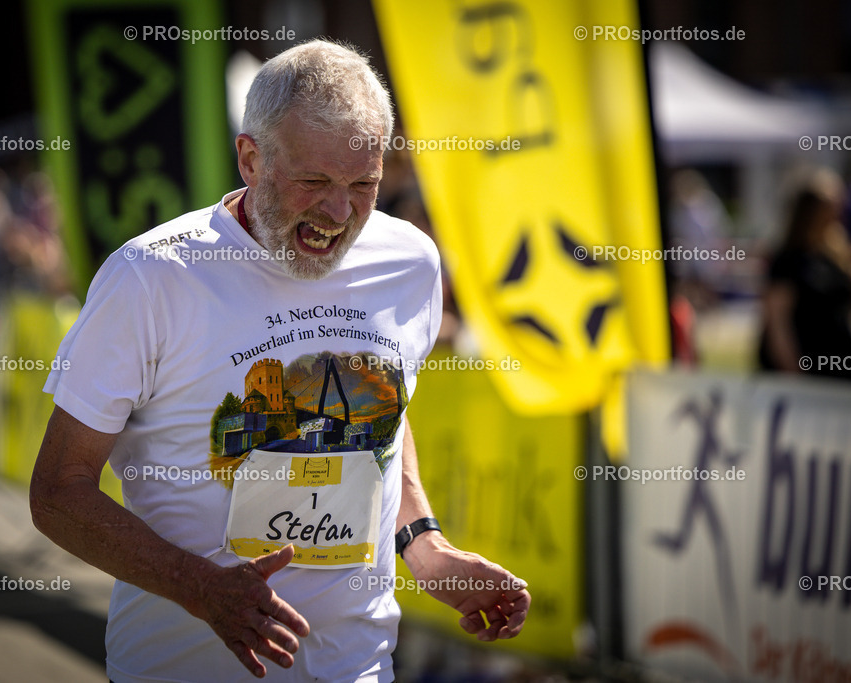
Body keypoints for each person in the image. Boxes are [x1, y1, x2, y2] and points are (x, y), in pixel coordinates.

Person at [30, 39, 529, 683]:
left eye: (364, 185)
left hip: (357, 666)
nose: (339, 214)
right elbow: (58, 491)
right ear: (250, 159)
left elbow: (384, 412)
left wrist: (425, 545)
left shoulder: (410, 262)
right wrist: (200, 588)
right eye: (313, 182)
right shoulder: (152, 277)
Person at [758, 168, 851, 380]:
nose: (838, 212)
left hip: (839, 373)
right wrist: (794, 373)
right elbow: (778, 324)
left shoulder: (836, 253)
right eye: (831, 205)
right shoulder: (788, 260)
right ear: (809, 211)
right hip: (806, 375)